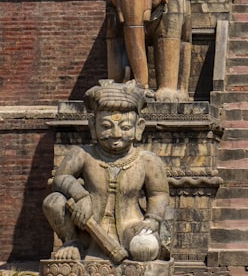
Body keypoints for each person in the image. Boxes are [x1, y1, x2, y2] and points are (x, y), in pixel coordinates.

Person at [42, 80, 170, 263]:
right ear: (93, 125)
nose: (116, 134)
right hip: (87, 227)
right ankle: (72, 243)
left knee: (145, 248)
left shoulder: (147, 160)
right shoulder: (83, 154)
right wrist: (80, 196)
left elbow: (158, 194)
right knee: (53, 201)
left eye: (125, 127)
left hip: (130, 229)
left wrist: (153, 220)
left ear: (138, 127)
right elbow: (60, 178)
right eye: (106, 126)